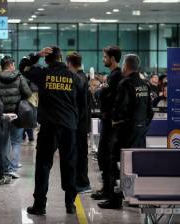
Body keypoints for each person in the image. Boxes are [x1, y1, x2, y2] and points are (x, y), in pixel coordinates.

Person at [20, 46, 85, 215]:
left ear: (47, 60)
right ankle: (70, 204)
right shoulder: (75, 77)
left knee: (43, 165)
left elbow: (23, 67)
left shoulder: (43, 74)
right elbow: (83, 105)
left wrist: (36, 55)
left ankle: (40, 204)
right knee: (69, 165)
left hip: (49, 126)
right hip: (69, 127)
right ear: (62, 58)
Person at [98, 54, 154, 209]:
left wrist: (116, 123)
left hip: (126, 131)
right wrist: (142, 127)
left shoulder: (125, 83)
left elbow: (120, 109)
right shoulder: (145, 84)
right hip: (140, 131)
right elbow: (150, 111)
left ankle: (115, 199)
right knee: (136, 165)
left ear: (126, 66)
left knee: (116, 163)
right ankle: (135, 196)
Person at [91, 45, 123, 201]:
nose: (103, 59)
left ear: (112, 58)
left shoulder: (116, 75)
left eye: (105, 57)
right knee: (104, 154)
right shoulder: (113, 75)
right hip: (108, 120)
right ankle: (107, 188)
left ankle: (109, 190)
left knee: (105, 155)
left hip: (110, 121)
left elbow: (101, 94)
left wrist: (100, 89)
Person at [0, 56, 32, 179]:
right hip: (17, 113)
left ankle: (6, 168)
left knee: (4, 142)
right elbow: (28, 93)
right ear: (11, 65)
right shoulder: (19, 76)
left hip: (2, 114)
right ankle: (13, 168)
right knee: (16, 142)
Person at [66, 52, 91, 194]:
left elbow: (79, 105)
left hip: (78, 124)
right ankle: (81, 181)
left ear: (69, 64)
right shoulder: (82, 77)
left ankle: (82, 183)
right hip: (82, 123)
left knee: (80, 154)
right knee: (80, 153)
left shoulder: (77, 79)